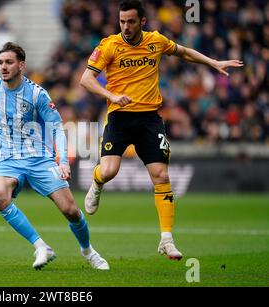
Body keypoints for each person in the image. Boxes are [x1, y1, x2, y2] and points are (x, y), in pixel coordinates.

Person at [80, 0, 243, 260]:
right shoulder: (109, 45)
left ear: (142, 21)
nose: (126, 26)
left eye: (131, 21)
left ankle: (166, 239)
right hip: (119, 117)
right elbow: (86, 79)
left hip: (149, 119)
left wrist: (213, 63)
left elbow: (183, 52)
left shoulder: (156, 41)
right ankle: (97, 182)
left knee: (160, 175)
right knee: (109, 170)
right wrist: (110, 94)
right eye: (122, 21)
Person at [0, 42, 109, 270]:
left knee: (71, 210)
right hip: (7, 160)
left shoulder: (37, 94)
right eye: (0, 63)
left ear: (21, 65)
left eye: (9, 62)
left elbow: (57, 127)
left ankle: (88, 251)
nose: (3, 67)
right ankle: (41, 246)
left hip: (40, 159)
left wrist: (62, 159)